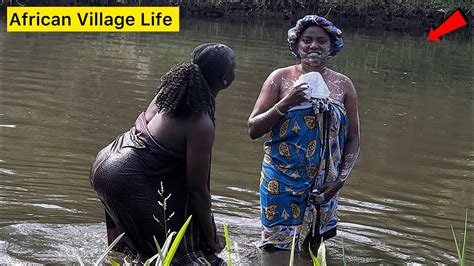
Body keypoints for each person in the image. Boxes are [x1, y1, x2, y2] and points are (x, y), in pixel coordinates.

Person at [89, 43, 236, 264]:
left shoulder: (171, 94)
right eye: (235, 65)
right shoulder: (201, 123)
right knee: (180, 258)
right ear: (225, 78)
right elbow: (198, 190)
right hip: (126, 177)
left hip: (107, 163)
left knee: (131, 255)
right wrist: (211, 238)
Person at [248, 15, 360, 253]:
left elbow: (353, 139)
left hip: (324, 186)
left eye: (321, 41)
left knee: (312, 250)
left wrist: (339, 181)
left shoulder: (344, 85)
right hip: (280, 180)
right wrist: (287, 102)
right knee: (274, 249)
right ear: (296, 46)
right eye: (307, 40)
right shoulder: (279, 78)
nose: (314, 46)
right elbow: (254, 129)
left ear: (331, 47)